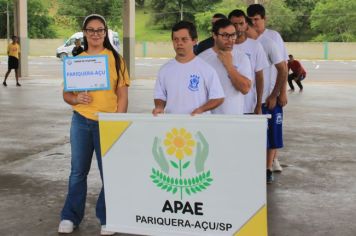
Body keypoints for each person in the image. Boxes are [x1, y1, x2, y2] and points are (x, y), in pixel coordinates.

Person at [58, 14, 129, 235]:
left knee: (109, 172)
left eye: (100, 30)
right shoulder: (77, 60)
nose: (96, 34)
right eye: (91, 30)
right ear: (84, 33)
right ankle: (70, 216)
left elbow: (122, 94)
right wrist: (76, 99)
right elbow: (67, 95)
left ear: (105, 33)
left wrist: (117, 120)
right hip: (81, 121)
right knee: (78, 172)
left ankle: (107, 217)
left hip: (107, 122)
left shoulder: (116, 59)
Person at [247, 4, 288, 183]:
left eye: (257, 19)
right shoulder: (244, 40)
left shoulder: (273, 38)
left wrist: (280, 93)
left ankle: (268, 167)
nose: (254, 23)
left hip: (271, 96)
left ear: (264, 19)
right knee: (255, 135)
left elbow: (283, 67)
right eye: (251, 20)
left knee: (272, 135)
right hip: (252, 98)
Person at [153, 21, 225, 115]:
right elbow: (160, 95)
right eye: (176, 39)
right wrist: (159, 107)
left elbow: (218, 97)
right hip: (172, 124)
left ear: (194, 41)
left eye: (184, 39)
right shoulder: (165, 69)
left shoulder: (206, 68)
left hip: (198, 124)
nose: (179, 43)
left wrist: (201, 109)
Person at [199, 18, 251, 115]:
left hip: (233, 119)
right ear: (214, 35)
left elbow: (245, 89)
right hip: (207, 119)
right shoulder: (201, 59)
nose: (230, 40)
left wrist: (229, 66)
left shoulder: (242, 57)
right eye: (225, 36)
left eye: (233, 35)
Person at [228, 9, 269, 114]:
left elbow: (259, 77)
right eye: (234, 24)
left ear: (246, 25)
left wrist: (259, 104)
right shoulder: (223, 47)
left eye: (241, 23)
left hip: (249, 105)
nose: (238, 27)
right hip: (227, 106)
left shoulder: (255, 46)